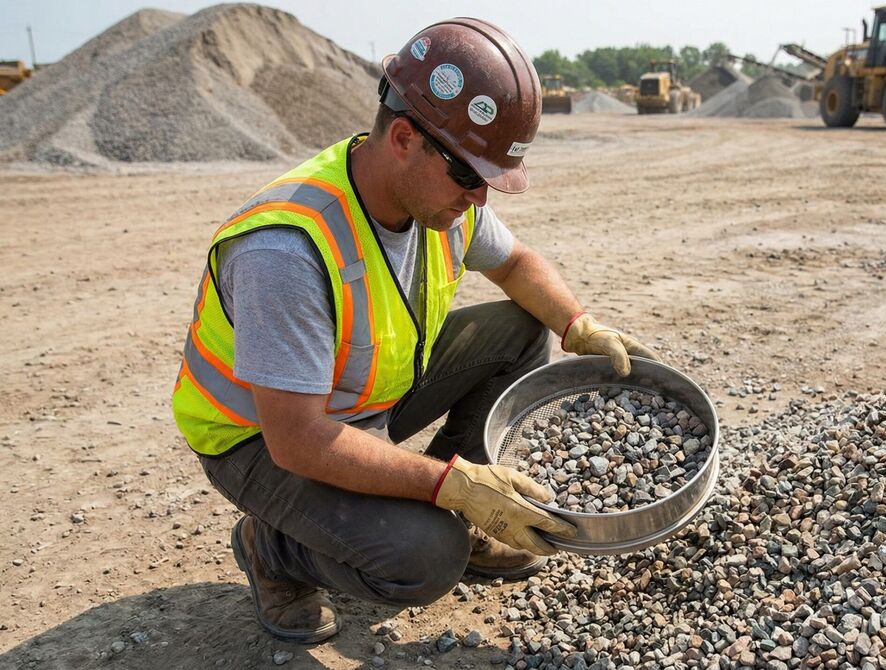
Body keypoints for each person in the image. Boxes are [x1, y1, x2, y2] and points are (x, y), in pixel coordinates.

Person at [170, 18, 659, 644]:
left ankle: (473, 507)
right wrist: (448, 485)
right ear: (404, 137)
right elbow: (297, 441)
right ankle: (271, 549)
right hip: (261, 440)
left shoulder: (440, 200)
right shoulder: (285, 250)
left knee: (522, 328)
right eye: (470, 176)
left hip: (361, 399)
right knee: (427, 557)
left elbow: (515, 264)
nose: (480, 199)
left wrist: (576, 323)